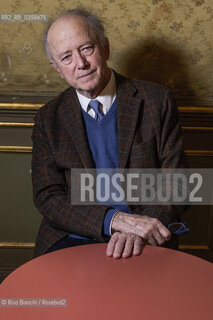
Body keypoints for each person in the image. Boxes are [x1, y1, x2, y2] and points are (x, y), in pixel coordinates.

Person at [31, 8, 188, 259]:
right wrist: (112, 220)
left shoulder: (157, 101)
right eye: (66, 57)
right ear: (57, 68)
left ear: (105, 48)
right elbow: (47, 197)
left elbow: (178, 182)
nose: (80, 64)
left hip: (145, 233)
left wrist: (139, 228)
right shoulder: (48, 119)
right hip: (74, 234)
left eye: (86, 48)